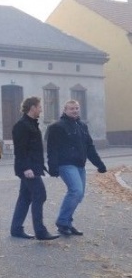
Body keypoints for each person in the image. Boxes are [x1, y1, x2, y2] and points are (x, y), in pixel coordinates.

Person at [45, 99, 107, 236]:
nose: (74, 110)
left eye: (76, 108)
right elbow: (52, 149)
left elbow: (90, 148)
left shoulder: (82, 126)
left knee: (79, 195)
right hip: (65, 164)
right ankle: (62, 222)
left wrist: (99, 164)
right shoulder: (57, 127)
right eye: (71, 108)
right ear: (65, 110)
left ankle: (67, 222)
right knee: (76, 191)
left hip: (80, 165)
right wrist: (52, 167)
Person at [9, 97, 59, 240]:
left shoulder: (32, 124)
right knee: (40, 195)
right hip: (28, 169)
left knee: (25, 197)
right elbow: (20, 150)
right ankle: (40, 232)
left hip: (34, 167)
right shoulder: (21, 125)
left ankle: (16, 229)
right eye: (39, 107)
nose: (41, 109)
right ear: (32, 107)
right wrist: (26, 168)